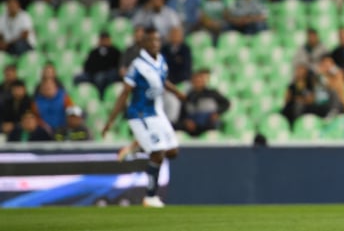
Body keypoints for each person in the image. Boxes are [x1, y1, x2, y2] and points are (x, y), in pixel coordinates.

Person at [102, 27, 186, 208]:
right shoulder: (137, 66)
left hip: (158, 113)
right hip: (140, 114)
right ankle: (149, 197)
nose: (155, 43)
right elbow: (125, 93)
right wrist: (111, 120)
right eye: (151, 41)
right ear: (143, 43)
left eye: (157, 40)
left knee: (173, 152)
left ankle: (139, 144)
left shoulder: (161, 60)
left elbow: (163, 81)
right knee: (158, 153)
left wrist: (177, 92)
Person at [177, 69, 230, 137]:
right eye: (196, 80)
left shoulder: (212, 93)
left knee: (215, 124)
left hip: (208, 120)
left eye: (200, 80)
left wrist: (217, 113)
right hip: (193, 121)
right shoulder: (187, 95)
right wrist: (186, 121)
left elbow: (226, 103)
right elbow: (182, 113)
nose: (198, 82)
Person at [75, 31, 122, 98]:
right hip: (93, 74)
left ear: (109, 40)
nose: (103, 41)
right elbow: (87, 66)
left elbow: (118, 66)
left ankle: (100, 98)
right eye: (102, 39)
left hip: (108, 75)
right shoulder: (94, 52)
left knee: (100, 78)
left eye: (105, 39)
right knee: (78, 78)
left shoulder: (115, 51)